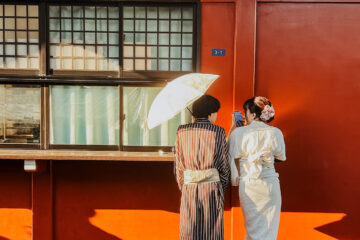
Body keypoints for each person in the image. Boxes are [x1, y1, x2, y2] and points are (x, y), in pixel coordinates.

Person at [228, 96, 286, 240]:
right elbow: (281, 157)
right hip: (270, 185)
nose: (245, 115)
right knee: (269, 230)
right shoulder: (276, 132)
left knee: (252, 229)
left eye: (245, 111)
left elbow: (229, 153)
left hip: (249, 185)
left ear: (253, 114)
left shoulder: (238, 133)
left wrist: (233, 128)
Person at [174, 94, 230, 240]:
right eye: (216, 112)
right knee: (212, 231)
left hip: (189, 187)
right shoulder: (218, 131)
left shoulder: (181, 131)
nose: (217, 115)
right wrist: (220, 188)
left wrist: (185, 184)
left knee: (189, 230)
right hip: (212, 187)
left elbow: (179, 164)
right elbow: (224, 165)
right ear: (210, 113)